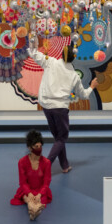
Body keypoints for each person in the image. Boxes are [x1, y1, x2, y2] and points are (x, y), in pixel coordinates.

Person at [28, 40, 99, 173]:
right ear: (74, 57)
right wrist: (92, 87)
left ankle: (64, 165)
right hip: (60, 108)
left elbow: (33, 53)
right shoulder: (74, 75)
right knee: (61, 138)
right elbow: (83, 95)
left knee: (58, 138)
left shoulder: (51, 62)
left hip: (46, 106)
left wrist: (32, 41)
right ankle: (46, 165)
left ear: (62, 54)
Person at [10, 130, 52, 221]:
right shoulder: (22, 162)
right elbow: (23, 182)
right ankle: (34, 209)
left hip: (41, 190)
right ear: (30, 147)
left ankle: (32, 211)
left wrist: (39, 194)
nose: (39, 149)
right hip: (27, 189)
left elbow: (46, 182)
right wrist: (29, 193)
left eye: (40, 146)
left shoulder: (46, 162)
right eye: (36, 146)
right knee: (26, 197)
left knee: (39, 199)